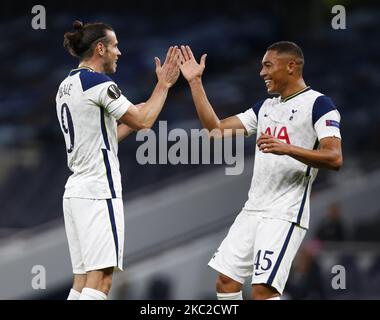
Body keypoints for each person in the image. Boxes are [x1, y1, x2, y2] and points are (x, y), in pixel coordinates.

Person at [178, 42, 343, 300]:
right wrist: (196, 82)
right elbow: (216, 130)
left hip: (284, 212)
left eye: (267, 65)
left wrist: (287, 148)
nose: (261, 73)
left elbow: (334, 157)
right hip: (253, 208)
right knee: (226, 283)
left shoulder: (320, 105)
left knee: (262, 292)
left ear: (291, 66)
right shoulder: (265, 107)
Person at [56, 20, 180, 300]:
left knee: (82, 281)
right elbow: (145, 120)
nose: (119, 52)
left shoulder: (66, 85)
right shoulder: (98, 82)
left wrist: (135, 118)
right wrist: (163, 85)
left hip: (75, 191)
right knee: (101, 282)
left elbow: (105, 135)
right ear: (100, 48)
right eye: (114, 46)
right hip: (99, 190)